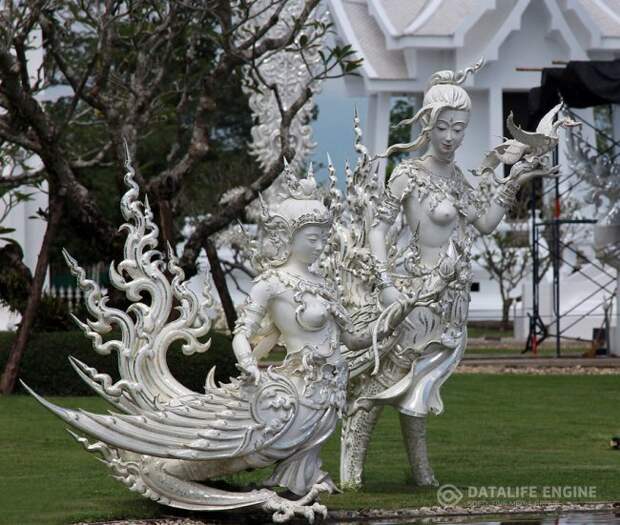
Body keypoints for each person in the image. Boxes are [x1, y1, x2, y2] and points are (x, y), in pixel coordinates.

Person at [340, 63, 559, 488]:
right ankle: (351, 474)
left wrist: (515, 177)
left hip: (451, 307)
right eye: (443, 126)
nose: (451, 137)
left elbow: (485, 222)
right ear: (427, 124)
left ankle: (421, 473)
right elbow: (378, 229)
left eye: (459, 128)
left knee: (418, 392)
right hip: (414, 301)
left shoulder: (459, 179)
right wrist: (384, 286)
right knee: (383, 386)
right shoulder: (408, 174)